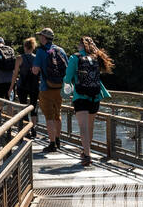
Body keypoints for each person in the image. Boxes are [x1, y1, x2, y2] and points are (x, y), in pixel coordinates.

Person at [65, 36, 114, 167]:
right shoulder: (96, 57)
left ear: (80, 45)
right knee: (90, 126)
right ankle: (86, 151)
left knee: (83, 126)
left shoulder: (74, 58)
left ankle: (87, 155)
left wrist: (66, 87)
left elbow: (68, 77)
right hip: (95, 96)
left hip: (80, 96)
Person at [32, 28, 68, 153]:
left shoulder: (41, 51)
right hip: (59, 88)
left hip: (46, 88)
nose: (39, 38)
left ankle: (52, 143)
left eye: (40, 36)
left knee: (49, 117)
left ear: (44, 38)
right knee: (58, 115)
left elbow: (35, 70)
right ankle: (58, 141)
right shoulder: (61, 50)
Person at [14, 37, 40, 134]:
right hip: (34, 85)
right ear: (33, 47)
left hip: (22, 86)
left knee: (24, 107)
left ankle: (26, 129)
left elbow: (15, 74)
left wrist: (11, 87)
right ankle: (34, 128)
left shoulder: (19, 58)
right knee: (33, 107)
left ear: (25, 47)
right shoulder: (37, 58)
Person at [0, 36, 17, 101]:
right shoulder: (10, 49)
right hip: (10, 80)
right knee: (10, 103)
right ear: (3, 43)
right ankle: (10, 111)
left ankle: (0, 111)